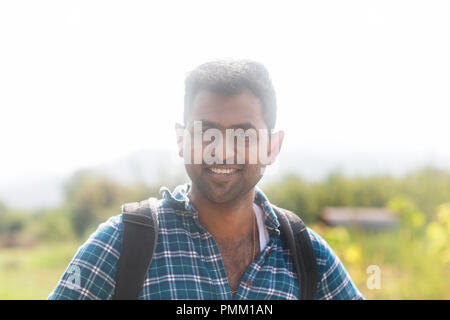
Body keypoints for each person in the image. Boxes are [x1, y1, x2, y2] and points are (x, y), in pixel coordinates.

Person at [48, 59, 364, 300]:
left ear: (272, 146)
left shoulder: (308, 257)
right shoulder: (124, 243)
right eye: (206, 131)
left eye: (243, 134)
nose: (223, 151)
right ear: (182, 140)